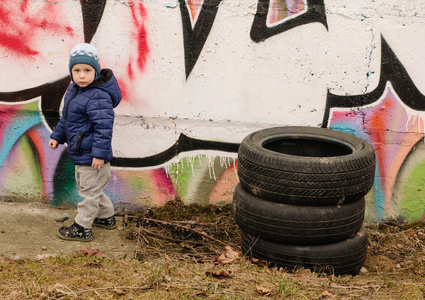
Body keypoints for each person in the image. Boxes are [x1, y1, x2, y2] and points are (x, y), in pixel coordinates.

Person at [49, 43, 122, 242]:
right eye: (77, 70)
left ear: (96, 72)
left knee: (89, 194)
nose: (82, 75)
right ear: (71, 72)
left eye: (87, 70)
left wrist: (99, 154)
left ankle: (82, 228)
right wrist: (57, 136)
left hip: (93, 157)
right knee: (92, 190)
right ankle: (106, 217)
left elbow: (104, 127)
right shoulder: (75, 90)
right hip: (83, 154)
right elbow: (67, 119)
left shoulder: (98, 95)